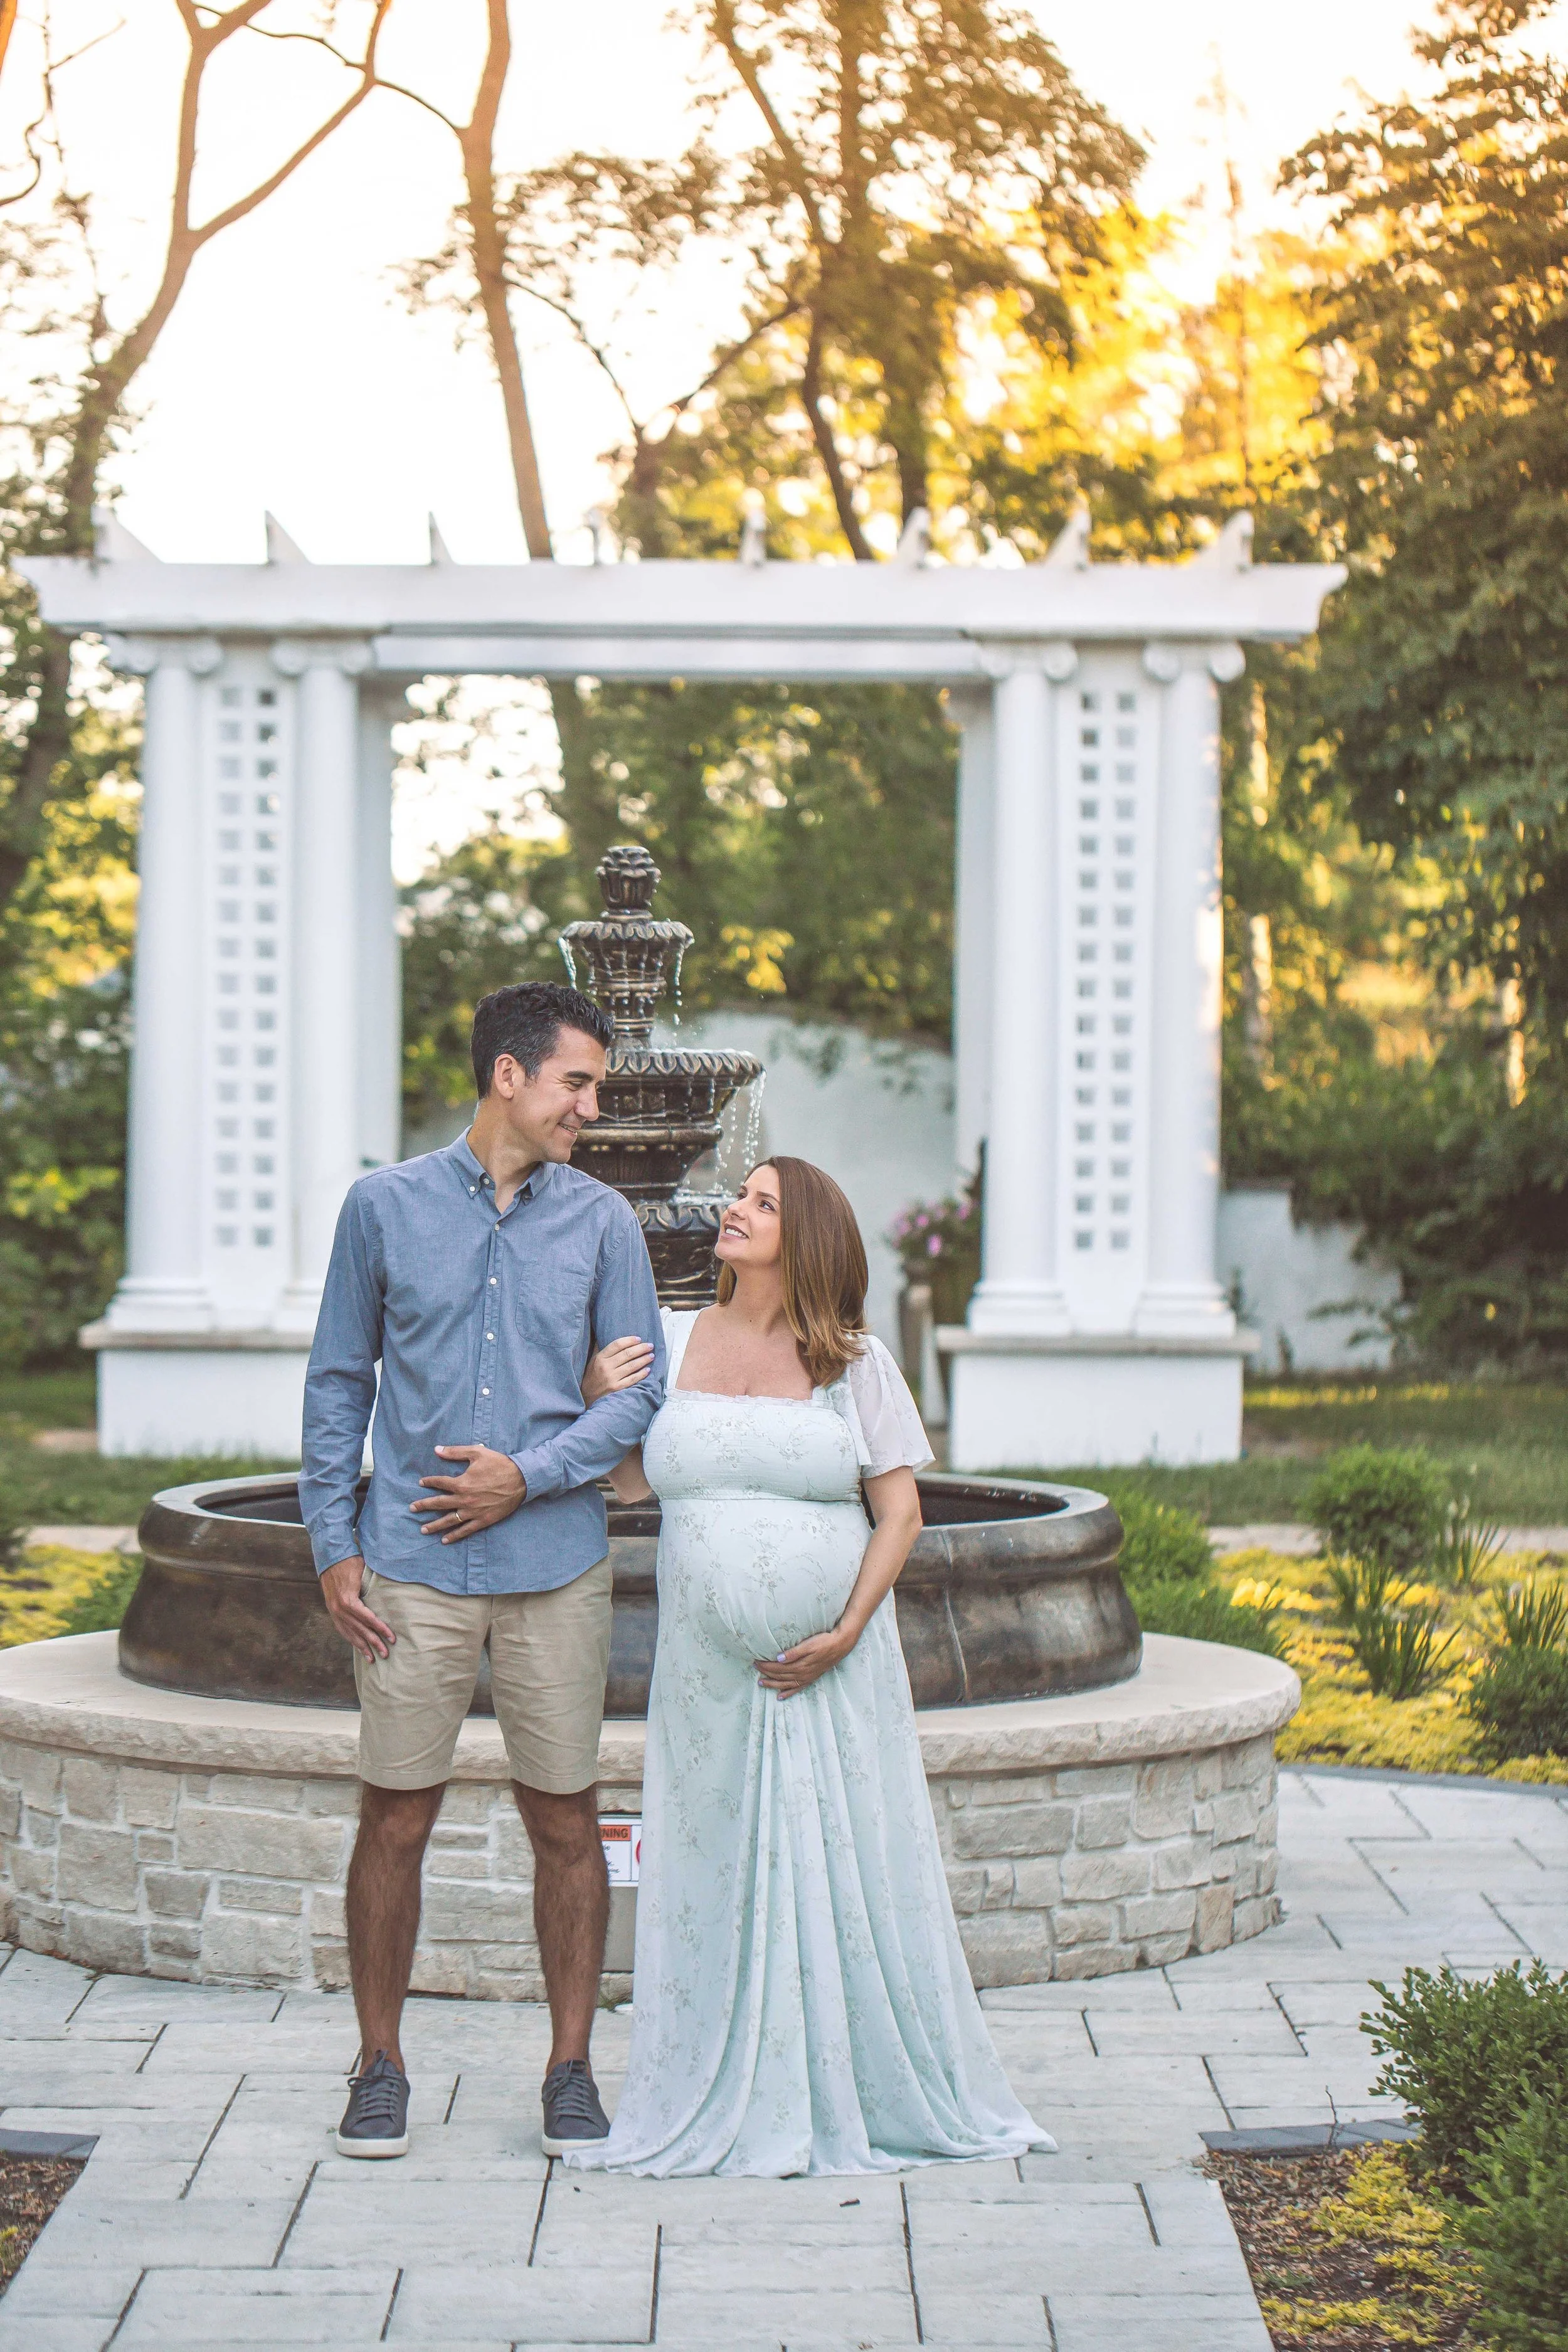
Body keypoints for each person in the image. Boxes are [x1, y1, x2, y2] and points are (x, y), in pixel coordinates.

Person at [569, 1156, 1053, 2176]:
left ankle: (849, 2079)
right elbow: (623, 1482)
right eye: (740, 1197)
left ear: (808, 1236)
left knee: (845, 1862)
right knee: (715, 1866)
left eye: (760, 1202)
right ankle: (714, 2080)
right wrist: (592, 1395)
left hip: (834, 1669)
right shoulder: (669, 1333)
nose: (732, 1212)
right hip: (707, 1675)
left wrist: (844, 1630)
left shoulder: (853, 1359)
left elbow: (902, 1510)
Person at [300, 980, 665, 2163]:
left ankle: (570, 2068)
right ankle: (379, 2064)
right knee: (394, 1815)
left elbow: (645, 1394)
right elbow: (338, 1381)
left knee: (566, 1818)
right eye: (578, 1082)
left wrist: (532, 1473)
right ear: (509, 1074)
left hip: (557, 1565)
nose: (592, 1108)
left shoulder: (605, 1223)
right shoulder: (383, 1208)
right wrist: (333, 1540)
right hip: (408, 1566)